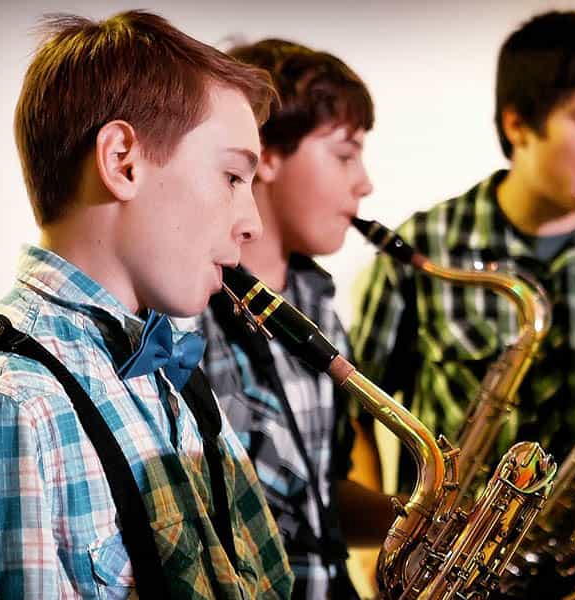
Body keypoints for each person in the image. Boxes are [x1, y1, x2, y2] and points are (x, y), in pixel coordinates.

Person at [0, 11, 293, 599]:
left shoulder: (167, 375)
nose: (253, 223)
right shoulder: (10, 406)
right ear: (122, 161)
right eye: (233, 176)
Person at [350, 10, 575, 597]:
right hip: (455, 565)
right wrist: (383, 551)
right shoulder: (427, 249)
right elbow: (357, 415)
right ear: (518, 125)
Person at [196, 39, 393, 600]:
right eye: (345, 153)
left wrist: (417, 519)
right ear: (269, 155)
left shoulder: (318, 298)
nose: (366, 182)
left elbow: (316, 495)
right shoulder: (186, 310)